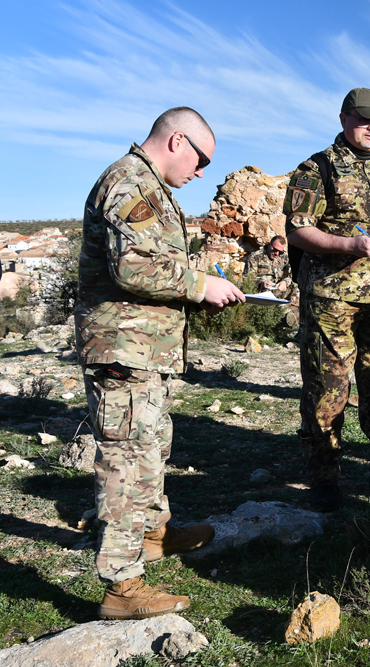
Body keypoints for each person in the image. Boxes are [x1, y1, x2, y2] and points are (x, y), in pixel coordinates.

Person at [75, 107, 245, 619]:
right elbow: (130, 266)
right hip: (123, 349)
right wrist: (200, 284)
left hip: (143, 350)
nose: (201, 173)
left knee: (150, 446)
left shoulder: (149, 185)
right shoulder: (130, 184)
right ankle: (121, 587)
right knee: (125, 460)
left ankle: (152, 534)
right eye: (202, 160)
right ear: (177, 141)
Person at [284, 88, 370, 509]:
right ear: (344, 118)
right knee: (328, 392)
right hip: (333, 302)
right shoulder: (317, 168)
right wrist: (349, 245)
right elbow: (297, 231)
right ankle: (324, 479)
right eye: (365, 119)